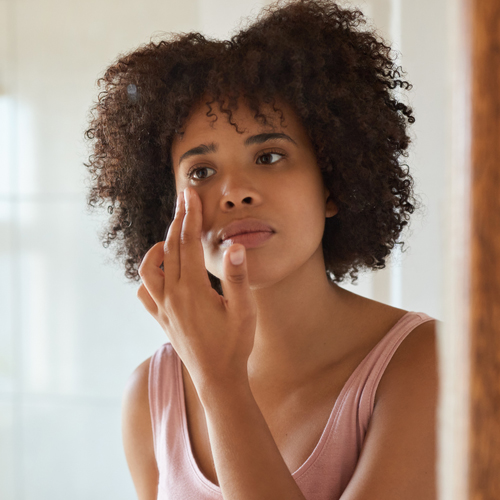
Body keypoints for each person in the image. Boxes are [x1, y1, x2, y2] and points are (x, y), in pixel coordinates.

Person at [84, 1, 438, 499]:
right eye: (201, 172)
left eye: (270, 156)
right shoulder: (151, 395)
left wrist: (220, 381)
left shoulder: (426, 363)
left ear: (333, 184)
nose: (234, 192)